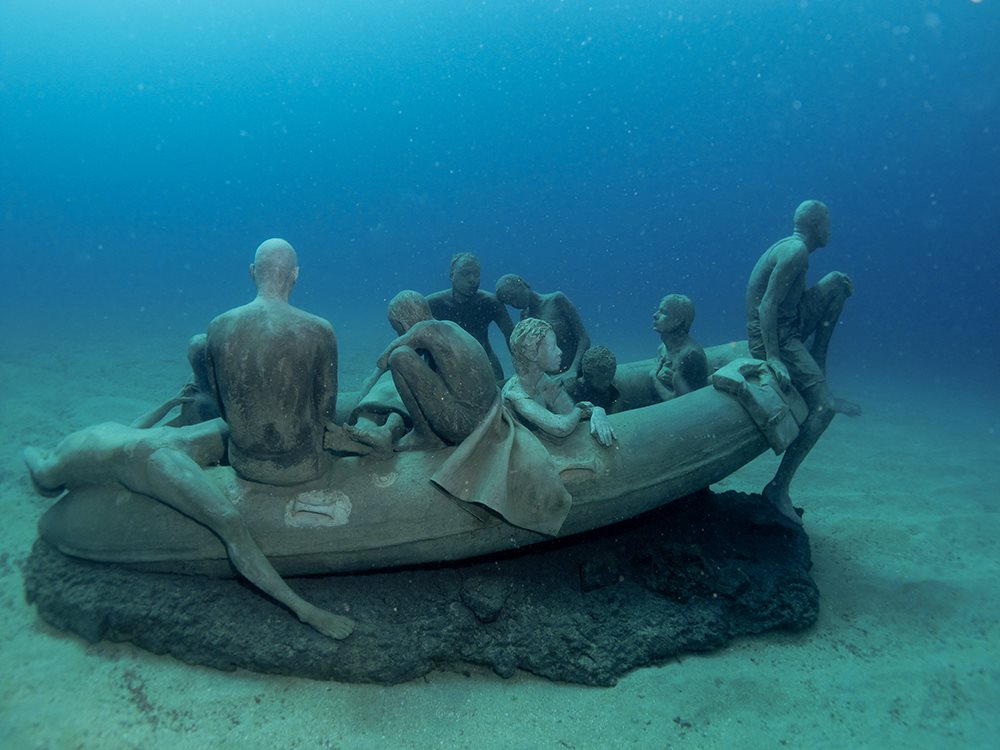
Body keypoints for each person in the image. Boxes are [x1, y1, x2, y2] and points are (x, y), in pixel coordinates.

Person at [23, 419, 355, 639]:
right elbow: (39, 462)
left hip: (161, 443)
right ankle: (304, 610)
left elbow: (37, 459)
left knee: (229, 501)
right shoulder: (60, 464)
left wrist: (171, 404)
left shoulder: (63, 460)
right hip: (161, 450)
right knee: (229, 523)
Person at [746, 199, 853, 525]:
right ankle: (778, 488)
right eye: (829, 224)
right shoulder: (796, 253)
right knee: (825, 408)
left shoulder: (791, 247)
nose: (831, 230)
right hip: (777, 337)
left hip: (788, 325)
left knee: (838, 283)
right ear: (818, 227)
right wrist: (774, 357)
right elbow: (767, 307)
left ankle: (817, 369)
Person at [206, 239, 338, 486]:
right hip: (302, 466)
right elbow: (326, 413)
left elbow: (221, 407)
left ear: (252, 271)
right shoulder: (319, 330)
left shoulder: (217, 327)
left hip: (243, 462)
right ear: (295, 274)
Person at [502, 318, 615, 447]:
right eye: (553, 347)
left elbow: (568, 411)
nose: (560, 352)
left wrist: (597, 410)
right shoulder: (515, 394)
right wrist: (585, 409)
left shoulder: (542, 379)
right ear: (533, 354)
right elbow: (560, 428)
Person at [426, 252, 514, 381]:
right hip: (443, 368)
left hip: (484, 365)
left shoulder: (490, 302)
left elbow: (512, 336)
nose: (472, 279)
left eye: (476, 274)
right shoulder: (431, 304)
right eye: (465, 273)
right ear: (452, 275)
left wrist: (524, 369)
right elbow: (414, 341)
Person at [495, 274, 591, 379]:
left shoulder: (557, 300)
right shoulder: (524, 316)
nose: (515, 304)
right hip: (549, 378)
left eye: (513, 297)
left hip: (574, 373)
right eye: (510, 303)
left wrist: (573, 370)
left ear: (522, 283)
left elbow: (583, 338)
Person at [132, 334, 220, 429]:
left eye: (190, 354)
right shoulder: (195, 381)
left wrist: (171, 403)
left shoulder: (196, 397)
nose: (187, 356)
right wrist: (172, 402)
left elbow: (134, 429)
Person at [650, 294, 709, 402]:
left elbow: (681, 403)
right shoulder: (662, 348)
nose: (655, 315)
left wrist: (654, 377)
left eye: (664, 312)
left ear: (678, 320)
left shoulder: (689, 355)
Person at [566, 345, 625, 414]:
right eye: (604, 379)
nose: (608, 383)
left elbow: (614, 416)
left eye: (611, 378)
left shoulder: (613, 396)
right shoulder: (573, 391)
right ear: (588, 376)